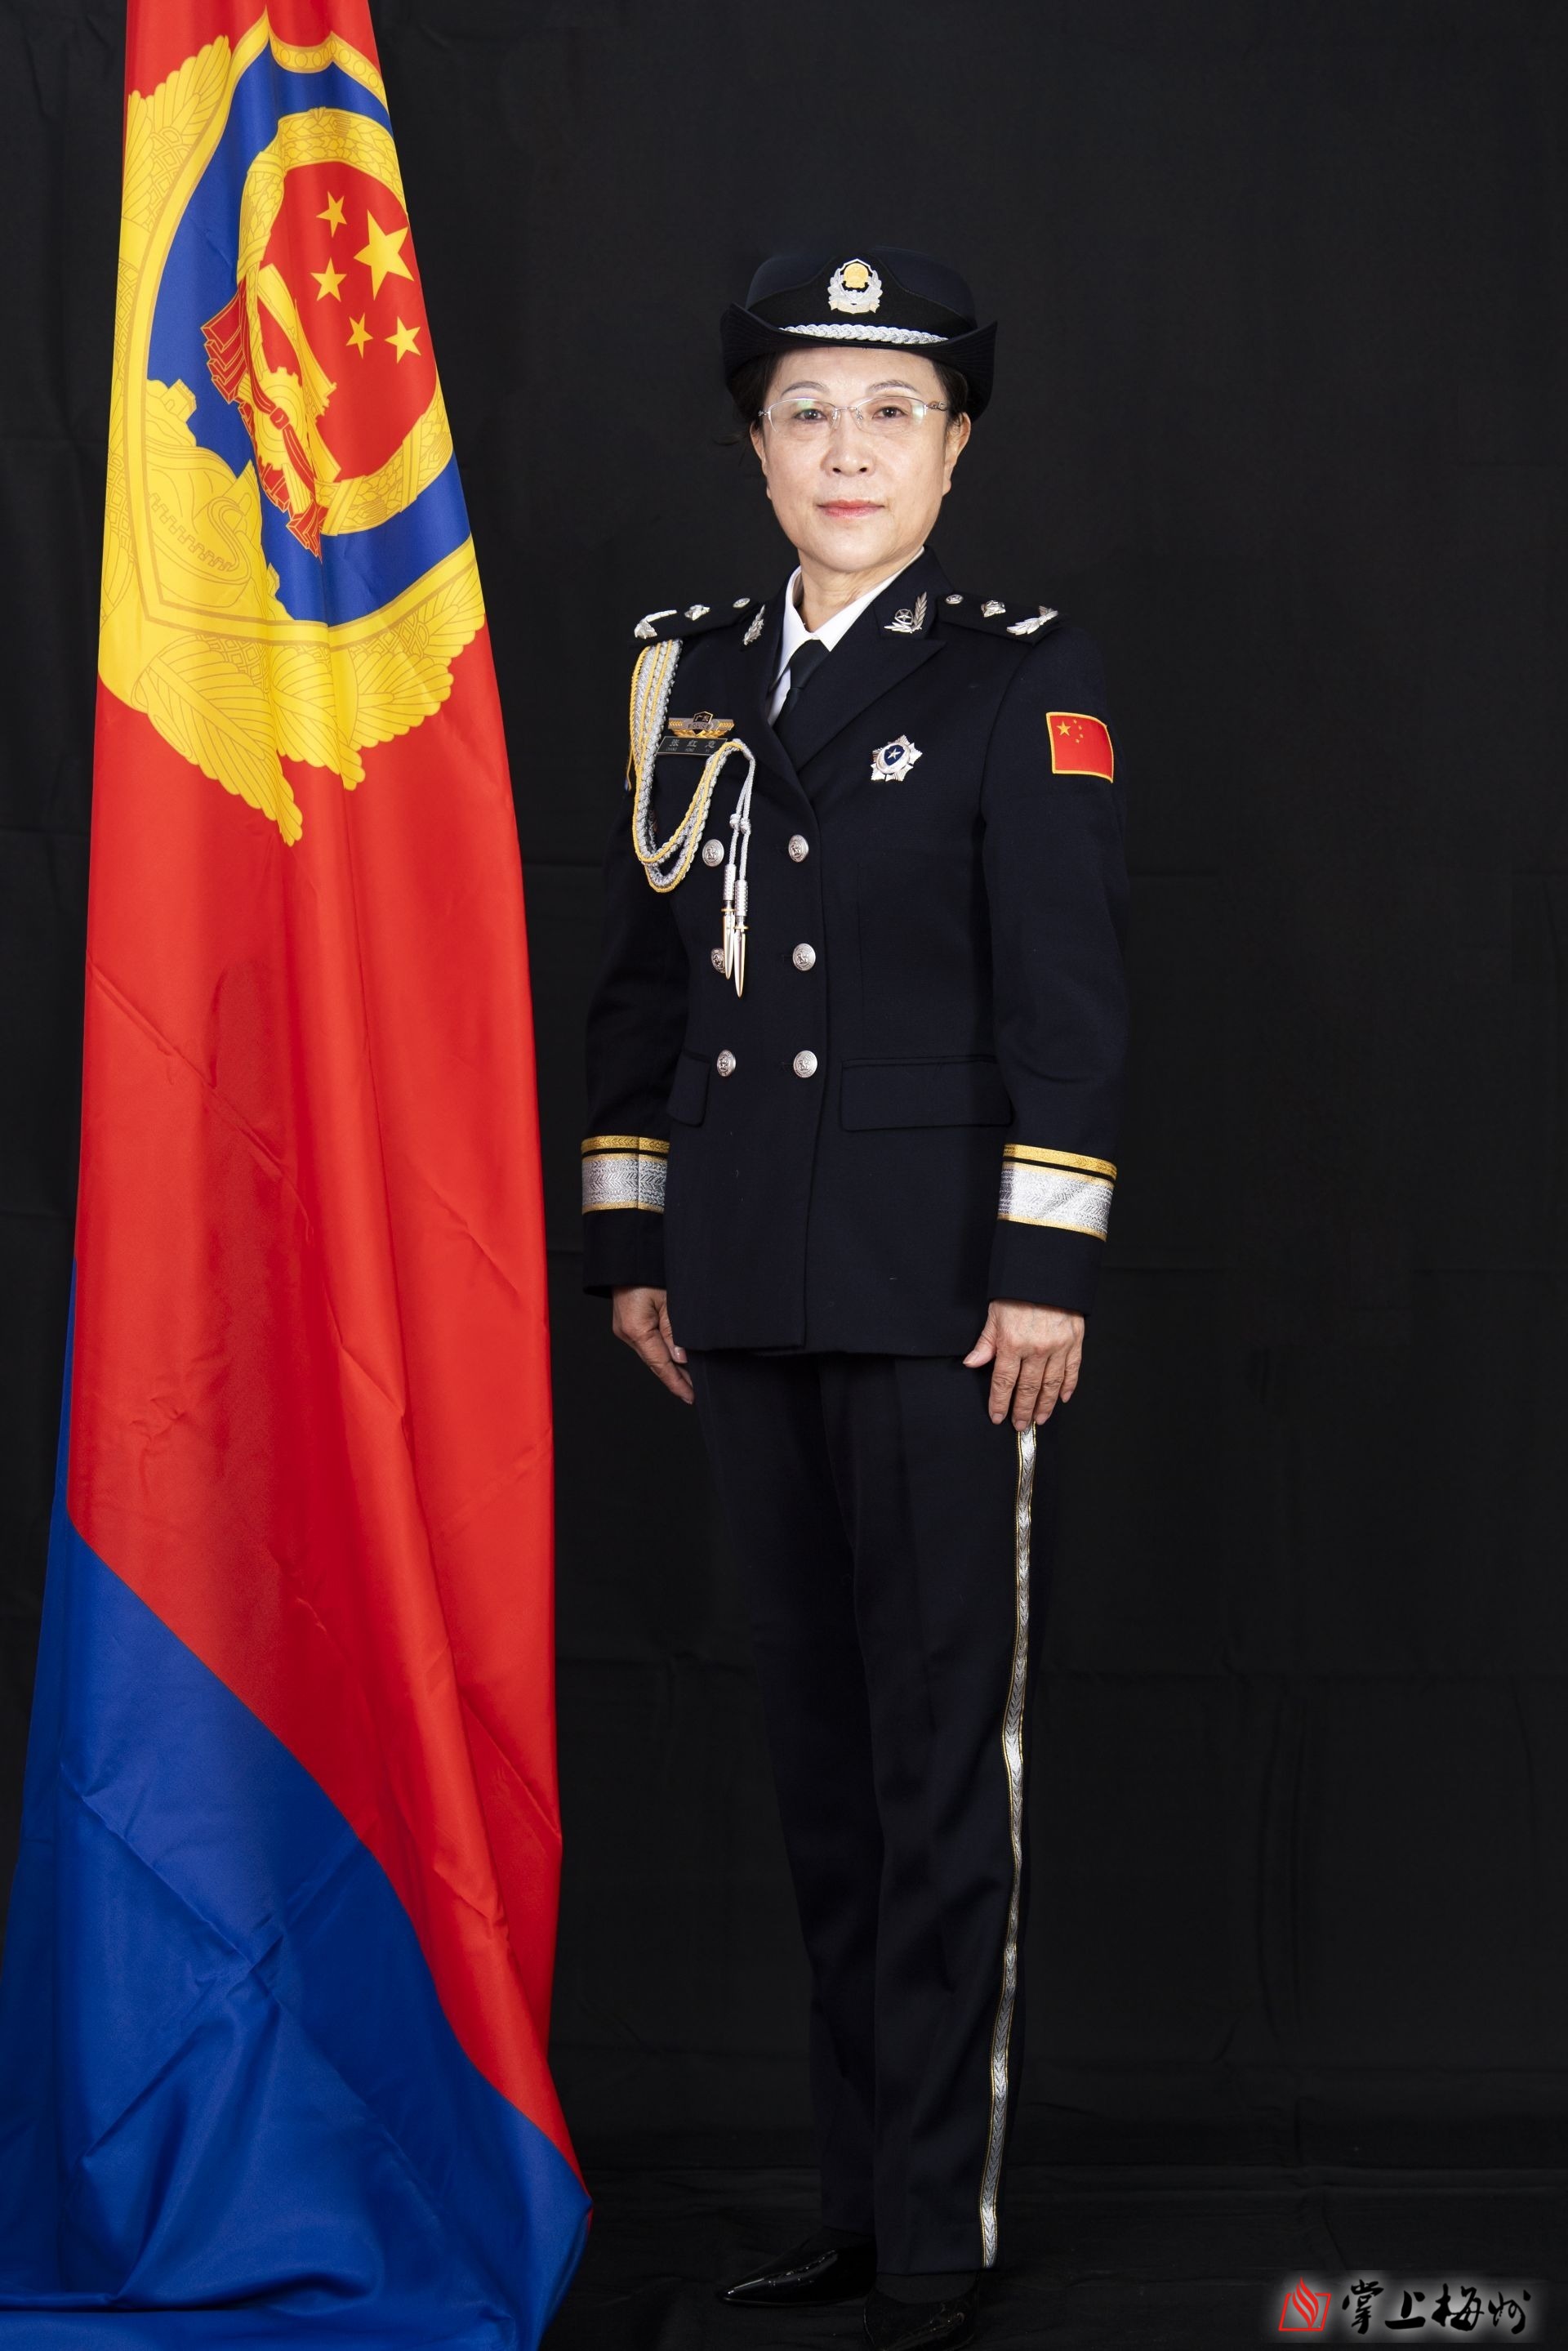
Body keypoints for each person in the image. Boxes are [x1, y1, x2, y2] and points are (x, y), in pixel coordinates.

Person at [580, 247, 1129, 2351]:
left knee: (936, 1779)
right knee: (821, 1777)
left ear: (955, 451)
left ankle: (938, 2237)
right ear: (755, 445)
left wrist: (1045, 1271)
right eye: (806, 409)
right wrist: (639, 1239)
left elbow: (1069, 1006)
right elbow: (646, 982)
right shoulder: (691, 672)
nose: (847, 450)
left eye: (892, 413)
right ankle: (849, 2207)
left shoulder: (1017, 680)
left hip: (943, 1299)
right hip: (746, 1279)